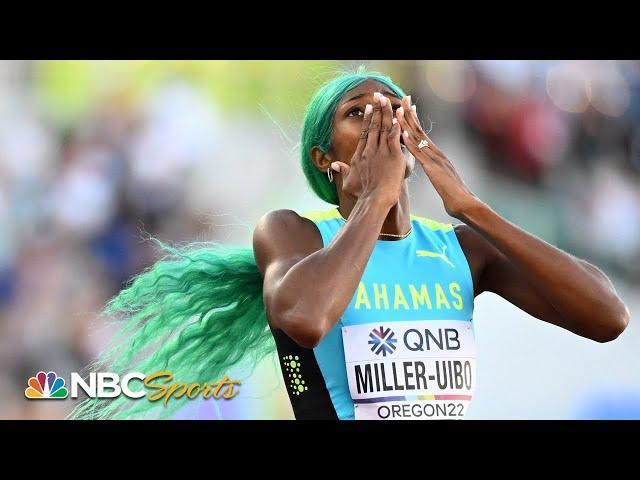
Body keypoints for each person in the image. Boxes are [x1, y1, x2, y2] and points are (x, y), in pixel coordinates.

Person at [70, 68, 630, 420]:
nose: (380, 121)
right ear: (324, 158)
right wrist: (372, 201)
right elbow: (305, 319)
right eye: (357, 113)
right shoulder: (291, 232)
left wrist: (472, 208)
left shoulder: (461, 249)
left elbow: (607, 317)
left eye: (393, 109)